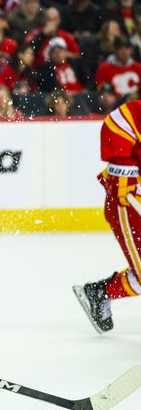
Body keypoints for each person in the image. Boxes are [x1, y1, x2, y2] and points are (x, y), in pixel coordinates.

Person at [74, 100, 141, 333]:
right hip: (130, 205)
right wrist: (123, 171)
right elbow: (119, 121)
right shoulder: (134, 114)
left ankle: (101, 291)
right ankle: (102, 292)